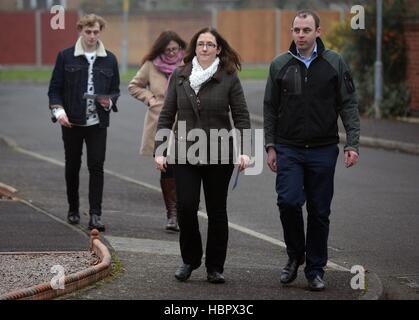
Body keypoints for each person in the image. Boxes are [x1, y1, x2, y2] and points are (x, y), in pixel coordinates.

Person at [263, 10, 360, 291]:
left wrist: (352, 143)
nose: (301, 35)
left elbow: (348, 104)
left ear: (318, 31)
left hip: (323, 149)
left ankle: (315, 269)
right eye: (296, 30)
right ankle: (295, 254)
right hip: (288, 148)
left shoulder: (334, 63)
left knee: (319, 212)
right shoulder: (280, 64)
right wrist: (270, 146)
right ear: (292, 32)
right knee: (288, 202)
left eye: (306, 30)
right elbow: (269, 108)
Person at [154, 27, 251, 284]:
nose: (205, 48)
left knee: (217, 211)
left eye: (210, 44)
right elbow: (167, 114)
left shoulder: (229, 76)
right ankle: (190, 259)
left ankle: (215, 267)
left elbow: (241, 116)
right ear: (194, 49)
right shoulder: (180, 76)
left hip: (219, 155)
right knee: (185, 207)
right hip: (185, 153)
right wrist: (160, 150)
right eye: (200, 44)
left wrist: (246, 151)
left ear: (218, 49)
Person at [48, 14, 120, 232]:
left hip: (97, 123)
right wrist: (59, 111)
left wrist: (109, 101)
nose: (91, 36)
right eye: (88, 32)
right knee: (72, 166)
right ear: (80, 30)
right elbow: (54, 89)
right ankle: (73, 209)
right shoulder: (66, 56)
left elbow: (115, 89)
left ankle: (96, 215)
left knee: (96, 167)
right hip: (72, 122)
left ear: (100, 32)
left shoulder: (109, 59)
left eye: (96, 32)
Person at [128, 31, 186, 232]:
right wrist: (150, 98)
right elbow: (134, 86)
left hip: (184, 123)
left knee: (183, 167)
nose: (171, 53)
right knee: (166, 168)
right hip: (159, 122)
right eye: (167, 49)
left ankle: (183, 209)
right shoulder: (151, 65)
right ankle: (172, 213)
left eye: (175, 49)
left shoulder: (187, 64)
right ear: (160, 50)